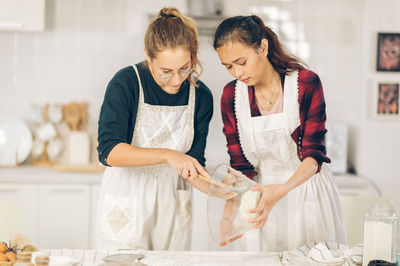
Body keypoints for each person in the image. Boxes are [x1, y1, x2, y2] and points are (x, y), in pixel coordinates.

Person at [213, 15, 346, 252]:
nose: (236, 72)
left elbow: (313, 156)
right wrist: (229, 211)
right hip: (259, 200)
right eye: (228, 66)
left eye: (241, 62)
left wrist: (281, 190)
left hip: (307, 193)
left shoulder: (306, 84)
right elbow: (240, 166)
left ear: (262, 47)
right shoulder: (231, 97)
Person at [96, 7, 213, 251]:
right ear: (149, 57)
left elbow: (193, 164)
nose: (177, 80)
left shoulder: (201, 96)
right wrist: (168, 155)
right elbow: (109, 152)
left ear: (193, 56)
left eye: (184, 68)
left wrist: (225, 192)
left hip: (172, 200)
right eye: (166, 72)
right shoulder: (126, 83)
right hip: (127, 198)